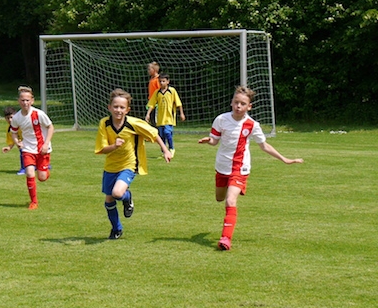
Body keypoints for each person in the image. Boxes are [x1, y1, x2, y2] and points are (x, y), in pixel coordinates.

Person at [198, 86, 303, 251]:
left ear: (249, 107)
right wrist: (208, 141)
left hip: (240, 168)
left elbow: (264, 145)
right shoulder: (221, 119)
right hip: (222, 166)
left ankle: (226, 238)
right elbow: (214, 140)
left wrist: (284, 159)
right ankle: (231, 196)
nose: (238, 106)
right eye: (236, 102)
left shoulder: (252, 125)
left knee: (230, 200)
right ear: (231, 102)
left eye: (243, 104)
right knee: (220, 197)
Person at [95, 88, 172, 239]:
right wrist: (114, 146)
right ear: (109, 107)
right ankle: (117, 229)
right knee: (109, 200)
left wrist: (165, 150)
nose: (118, 110)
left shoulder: (133, 123)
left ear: (127, 110)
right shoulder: (104, 124)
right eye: (115, 106)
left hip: (129, 165)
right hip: (110, 167)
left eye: (122, 107)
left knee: (117, 193)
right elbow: (102, 149)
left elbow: (154, 134)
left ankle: (127, 197)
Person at [8, 86, 54, 210]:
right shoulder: (16, 117)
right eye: (23, 100)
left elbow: (50, 127)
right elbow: (13, 132)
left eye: (27, 100)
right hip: (28, 149)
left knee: (42, 177)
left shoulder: (39, 114)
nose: (25, 103)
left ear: (32, 101)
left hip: (42, 149)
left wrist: (46, 144)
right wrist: (17, 142)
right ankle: (34, 202)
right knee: (29, 173)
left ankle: (45, 171)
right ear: (19, 101)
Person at [145, 73, 185, 156]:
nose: (161, 83)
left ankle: (171, 148)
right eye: (160, 81)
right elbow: (152, 104)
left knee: (167, 132)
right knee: (161, 136)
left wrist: (181, 113)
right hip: (160, 118)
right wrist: (148, 114)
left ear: (168, 82)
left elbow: (178, 103)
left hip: (169, 117)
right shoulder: (157, 93)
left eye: (163, 81)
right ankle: (164, 152)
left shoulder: (172, 91)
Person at [1, 106, 26, 175]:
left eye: (11, 117)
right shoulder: (9, 129)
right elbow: (11, 140)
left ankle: (45, 165)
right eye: (7, 118)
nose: (10, 120)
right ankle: (24, 168)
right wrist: (9, 147)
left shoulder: (22, 123)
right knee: (23, 152)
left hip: (31, 140)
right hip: (22, 143)